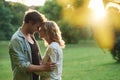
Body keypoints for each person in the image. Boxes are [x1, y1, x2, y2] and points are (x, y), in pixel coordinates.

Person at [9, 10, 56, 80]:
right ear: (30, 22)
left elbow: (36, 57)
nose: (37, 30)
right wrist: (44, 67)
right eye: (37, 27)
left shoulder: (31, 36)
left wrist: (46, 61)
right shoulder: (16, 39)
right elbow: (21, 65)